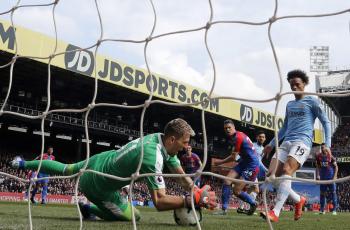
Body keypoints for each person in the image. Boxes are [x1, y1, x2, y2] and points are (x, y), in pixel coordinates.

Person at [12, 118, 216, 222]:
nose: (187, 146)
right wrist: (192, 200)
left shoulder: (159, 138)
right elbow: (160, 202)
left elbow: (178, 171)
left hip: (98, 160)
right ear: (172, 139)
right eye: (185, 142)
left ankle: (22, 163)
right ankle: (89, 208)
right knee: (133, 217)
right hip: (97, 185)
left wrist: (194, 189)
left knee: (65, 168)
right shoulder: (152, 155)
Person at [260, 69, 331, 222]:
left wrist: (327, 144)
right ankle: (299, 200)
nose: (294, 88)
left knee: (287, 170)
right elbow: (285, 127)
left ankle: (275, 212)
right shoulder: (290, 104)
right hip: (286, 142)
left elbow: (326, 122)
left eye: (297, 84)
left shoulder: (312, 101)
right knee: (271, 176)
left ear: (304, 84)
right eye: (292, 85)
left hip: (302, 142)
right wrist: (271, 144)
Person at [213, 119, 259, 215]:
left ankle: (253, 203)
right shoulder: (235, 137)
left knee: (236, 191)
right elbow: (236, 155)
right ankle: (224, 209)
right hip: (244, 162)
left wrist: (220, 162)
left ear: (234, 127)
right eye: (226, 128)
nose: (228, 130)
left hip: (251, 165)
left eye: (229, 127)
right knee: (227, 180)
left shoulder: (238, 137)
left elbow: (233, 157)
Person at [237, 130, 267, 214]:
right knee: (255, 189)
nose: (261, 138)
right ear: (257, 137)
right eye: (260, 137)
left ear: (265, 139)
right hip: (249, 169)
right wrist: (266, 170)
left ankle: (241, 207)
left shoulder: (263, 149)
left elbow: (259, 161)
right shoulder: (252, 145)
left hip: (253, 170)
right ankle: (251, 207)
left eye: (263, 137)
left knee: (251, 190)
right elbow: (257, 161)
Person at [316, 143, 338, 215]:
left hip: (330, 178)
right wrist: (318, 175)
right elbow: (318, 167)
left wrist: (334, 177)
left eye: (323, 147)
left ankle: (334, 210)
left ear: (326, 148)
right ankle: (322, 210)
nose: (322, 149)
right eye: (321, 148)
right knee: (322, 194)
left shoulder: (331, 157)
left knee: (333, 193)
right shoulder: (319, 156)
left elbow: (336, 167)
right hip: (323, 178)